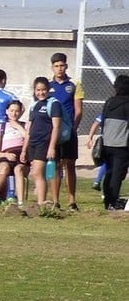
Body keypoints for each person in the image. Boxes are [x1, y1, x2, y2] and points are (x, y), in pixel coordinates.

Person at [47, 52, 83, 210]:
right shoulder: (48, 86)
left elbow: (79, 110)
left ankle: (72, 200)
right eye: (56, 66)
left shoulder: (75, 84)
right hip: (53, 132)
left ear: (66, 66)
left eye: (62, 65)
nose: (59, 69)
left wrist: (73, 129)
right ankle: (55, 201)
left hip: (68, 132)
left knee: (69, 165)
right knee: (54, 166)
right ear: (52, 68)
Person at [26, 76, 64, 214]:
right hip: (33, 143)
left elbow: (56, 127)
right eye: (38, 90)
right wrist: (24, 149)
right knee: (36, 174)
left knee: (38, 172)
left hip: (45, 142)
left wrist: (52, 147)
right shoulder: (34, 105)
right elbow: (29, 129)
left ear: (48, 90)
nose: (41, 93)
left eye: (43, 90)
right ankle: (41, 203)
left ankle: (42, 204)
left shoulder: (54, 104)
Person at [96, 74, 129, 210]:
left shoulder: (109, 102)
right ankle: (113, 202)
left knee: (109, 172)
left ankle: (108, 201)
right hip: (122, 144)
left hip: (107, 143)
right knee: (117, 174)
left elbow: (103, 122)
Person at [0, 98, 28, 203]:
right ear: (7, 111)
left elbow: (28, 138)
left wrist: (18, 127)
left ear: (21, 112)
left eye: (17, 111)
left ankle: (20, 202)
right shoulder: (0, 128)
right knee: (5, 168)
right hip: (6, 156)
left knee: (18, 170)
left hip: (22, 156)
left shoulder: (26, 126)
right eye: (11, 110)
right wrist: (6, 155)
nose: (14, 113)